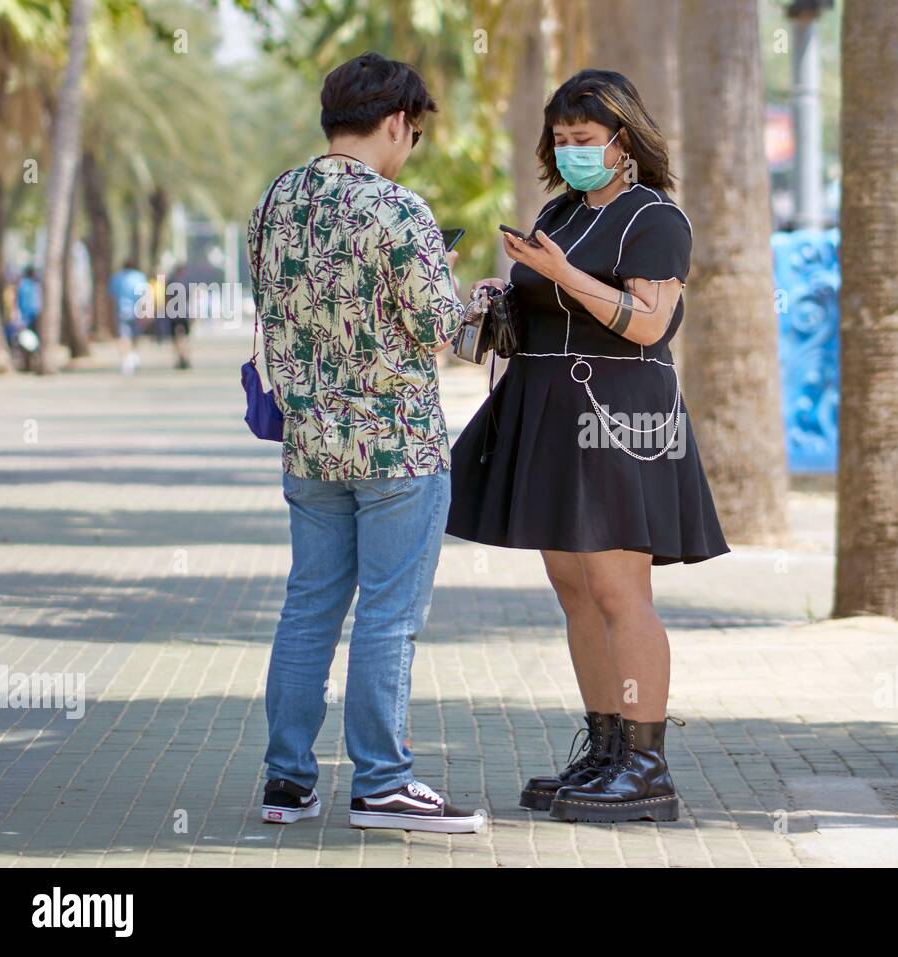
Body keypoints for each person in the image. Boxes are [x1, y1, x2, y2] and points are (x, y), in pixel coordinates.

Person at [448, 69, 729, 824]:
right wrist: (502, 294)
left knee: (617, 591)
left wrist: (562, 274)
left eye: (583, 139)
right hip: (546, 408)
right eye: (561, 140)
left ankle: (646, 765)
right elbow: (544, 299)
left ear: (624, 141)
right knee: (575, 590)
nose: (569, 151)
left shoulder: (654, 218)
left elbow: (647, 323)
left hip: (617, 419)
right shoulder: (560, 210)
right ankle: (605, 749)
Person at [250, 51, 476, 833]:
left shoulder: (276, 201)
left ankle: (287, 780)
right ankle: (382, 780)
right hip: (398, 450)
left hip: (310, 445)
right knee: (388, 616)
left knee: (309, 606)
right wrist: (456, 284)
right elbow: (439, 328)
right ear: (394, 124)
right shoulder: (400, 210)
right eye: (411, 132)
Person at [108, 262, 148, 375]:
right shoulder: (140, 277)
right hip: (137, 311)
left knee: (123, 336)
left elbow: (111, 298)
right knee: (136, 335)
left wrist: (111, 315)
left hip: (121, 310)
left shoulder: (116, 278)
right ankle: (134, 355)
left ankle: (126, 360)